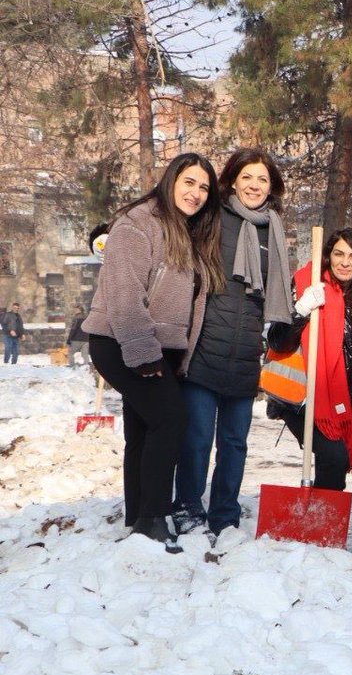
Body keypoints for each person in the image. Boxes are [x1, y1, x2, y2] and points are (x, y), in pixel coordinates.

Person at [82, 152, 223, 551]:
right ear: (170, 180)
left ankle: (138, 517)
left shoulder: (188, 231)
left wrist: (179, 353)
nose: (196, 193)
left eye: (204, 187)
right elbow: (125, 295)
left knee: (144, 430)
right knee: (171, 421)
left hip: (158, 346)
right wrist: (143, 353)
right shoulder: (137, 224)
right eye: (189, 182)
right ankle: (153, 517)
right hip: (120, 340)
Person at [174, 148, 293, 536]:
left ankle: (225, 512)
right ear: (233, 180)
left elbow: (278, 291)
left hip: (245, 353)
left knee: (235, 443)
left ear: (271, 186)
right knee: (196, 438)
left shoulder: (273, 228)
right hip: (206, 344)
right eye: (247, 177)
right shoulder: (212, 217)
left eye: (262, 179)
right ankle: (189, 506)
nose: (254, 185)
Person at [267, 228, 352, 490]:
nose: (345, 263)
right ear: (328, 256)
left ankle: (322, 524)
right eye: (339, 254)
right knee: (335, 457)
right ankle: (321, 522)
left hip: (348, 404)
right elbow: (277, 341)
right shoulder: (305, 283)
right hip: (303, 400)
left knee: (334, 464)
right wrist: (301, 310)